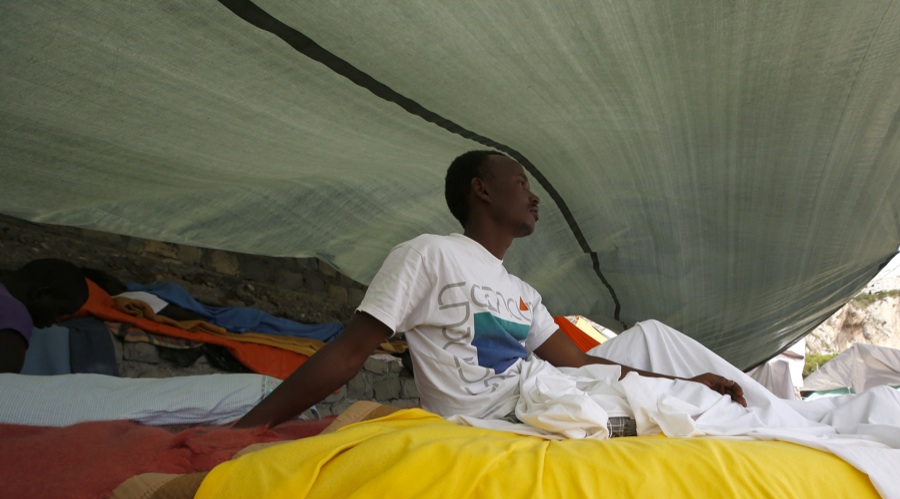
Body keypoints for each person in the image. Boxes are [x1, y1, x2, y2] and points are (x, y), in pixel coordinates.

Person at [235, 150, 744, 429]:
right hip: (491, 419)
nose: (536, 196)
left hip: (546, 394)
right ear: (481, 188)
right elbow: (348, 354)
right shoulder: (428, 254)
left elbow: (580, 363)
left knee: (668, 362)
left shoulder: (523, 291)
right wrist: (246, 429)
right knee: (670, 414)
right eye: (521, 183)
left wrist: (684, 379)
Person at [0, 258, 89, 373]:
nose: (55, 321)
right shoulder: (14, 313)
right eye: (60, 312)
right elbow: (4, 385)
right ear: (42, 294)